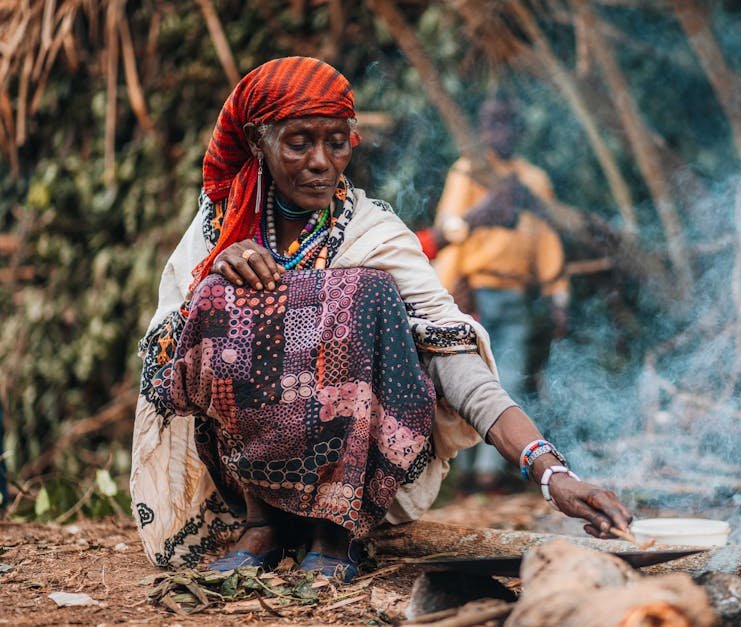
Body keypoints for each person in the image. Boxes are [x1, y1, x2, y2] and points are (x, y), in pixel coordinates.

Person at [131, 57, 630, 582]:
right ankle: (264, 523)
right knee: (215, 293)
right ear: (259, 141)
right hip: (244, 469)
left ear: (353, 140)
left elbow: (453, 356)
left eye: (337, 141)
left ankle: (336, 529)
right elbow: (170, 360)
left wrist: (551, 473)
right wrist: (221, 270)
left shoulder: (374, 233)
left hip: (358, 474)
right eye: (299, 142)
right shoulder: (221, 225)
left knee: (362, 293)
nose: (321, 161)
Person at [420, 95, 570, 486]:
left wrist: (558, 295)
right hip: (471, 295)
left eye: (507, 123)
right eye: (491, 123)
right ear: (481, 129)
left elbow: (547, 240)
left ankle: (488, 474)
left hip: (515, 294)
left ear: (521, 130)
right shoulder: (470, 171)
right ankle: (465, 473)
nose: (499, 131)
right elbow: (450, 230)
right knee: (465, 382)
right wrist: (446, 291)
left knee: (511, 379)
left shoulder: (533, 181)